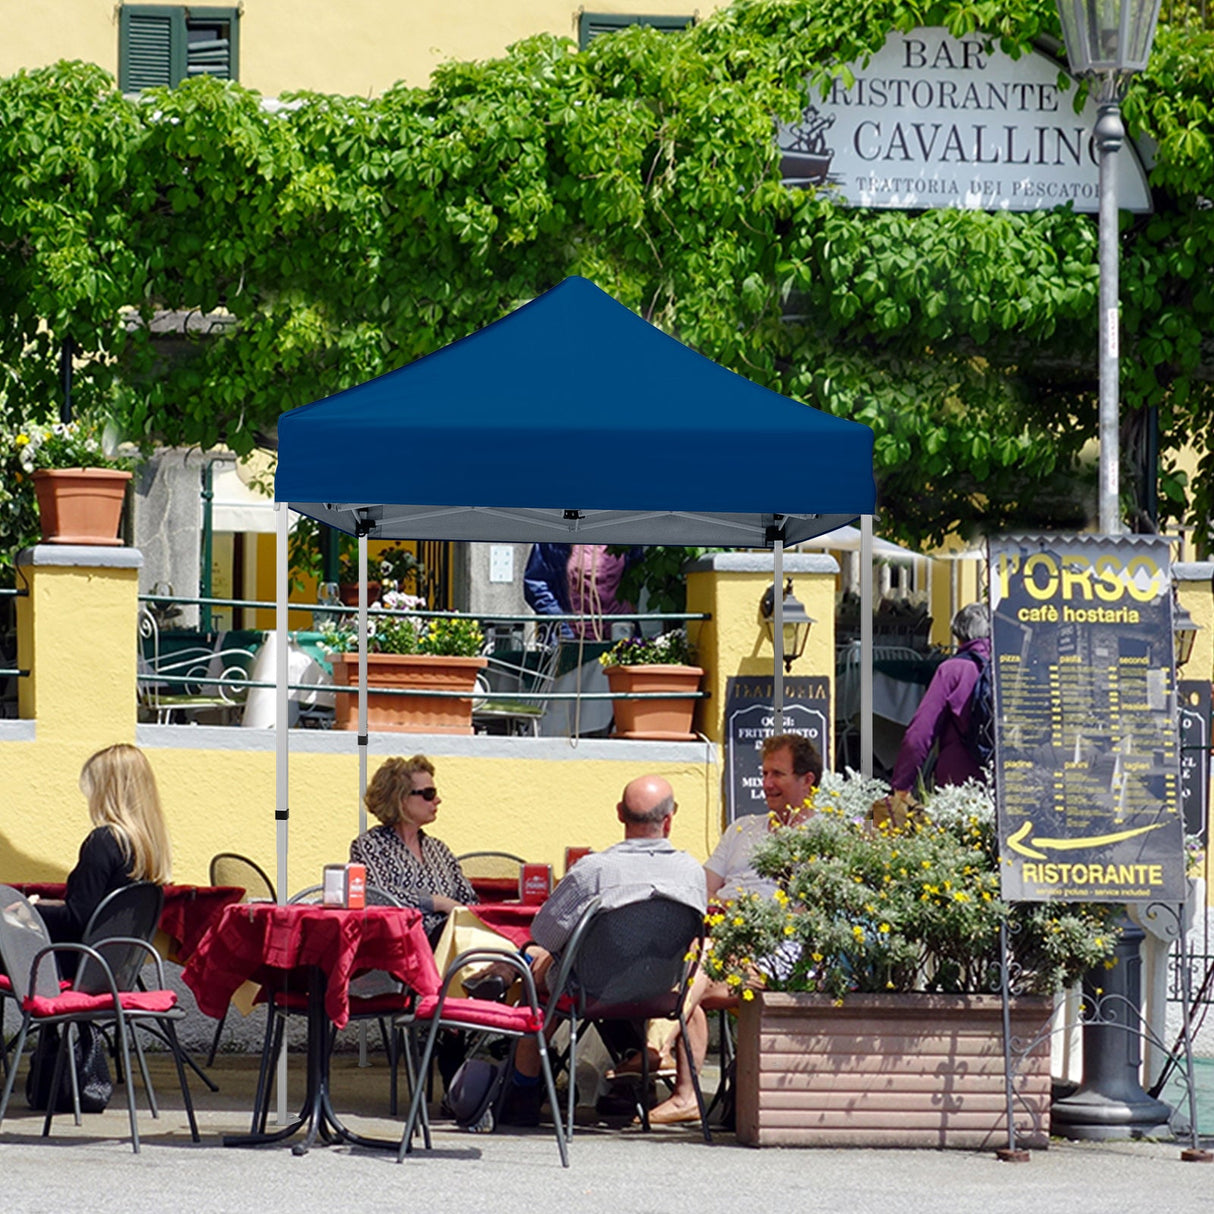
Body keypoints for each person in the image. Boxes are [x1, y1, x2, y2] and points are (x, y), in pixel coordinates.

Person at [496, 774, 706, 1126]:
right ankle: (633, 1070)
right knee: (574, 967)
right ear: (669, 819)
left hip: (589, 989)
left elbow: (545, 932)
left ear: (620, 814)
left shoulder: (594, 871)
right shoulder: (691, 872)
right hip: (660, 989)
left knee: (537, 972)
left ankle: (523, 1091)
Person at [645, 732, 822, 1125]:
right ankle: (682, 1091)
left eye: (778, 773)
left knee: (694, 965)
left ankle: (658, 1046)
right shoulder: (744, 828)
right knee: (684, 965)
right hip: (720, 942)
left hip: (774, 951)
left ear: (808, 779)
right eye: (763, 772)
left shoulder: (823, 835)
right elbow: (702, 891)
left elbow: (806, 915)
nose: (767, 783)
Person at [35, 743, 173, 946]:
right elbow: (93, 908)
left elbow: (77, 920)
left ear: (107, 791)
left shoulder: (104, 841)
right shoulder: (147, 847)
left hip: (76, 958)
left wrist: (31, 909)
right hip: (114, 961)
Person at [348, 755, 476, 945]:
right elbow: (377, 896)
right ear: (401, 799)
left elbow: (469, 901)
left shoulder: (439, 850)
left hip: (454, 938)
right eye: (429, 794)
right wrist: (436, 902)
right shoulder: (370, 845)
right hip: (404, 945)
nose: (437, 800)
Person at [890, 602, 991, 795]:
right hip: (1009, 786)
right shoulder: (1010, 670)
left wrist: (901, 787)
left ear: (959, 636)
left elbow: (919, 735)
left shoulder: (951, 670)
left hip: (958, 784)